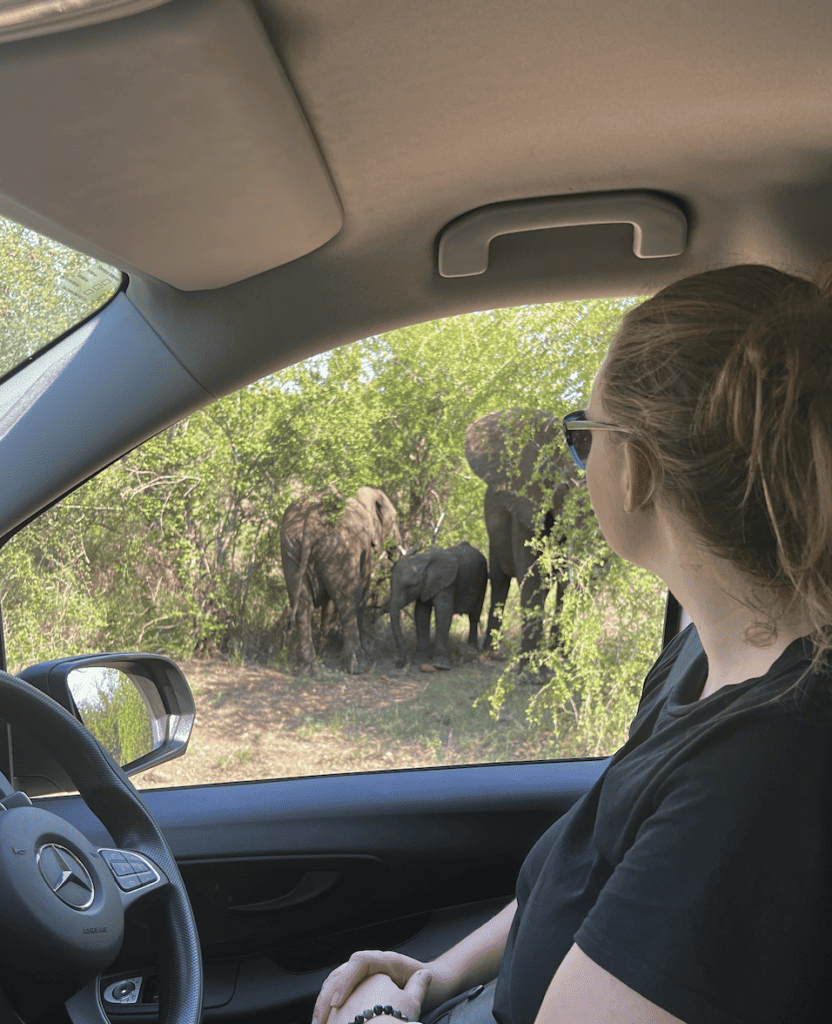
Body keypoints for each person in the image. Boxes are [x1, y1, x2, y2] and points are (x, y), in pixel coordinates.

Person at [310, 263, 832, 1024]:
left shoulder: (764, 764)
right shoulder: (698, 663)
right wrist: (436, 974)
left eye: (581, 437)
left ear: (639, 474)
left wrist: (377, 1022)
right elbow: (586, 876)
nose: (576, 463)